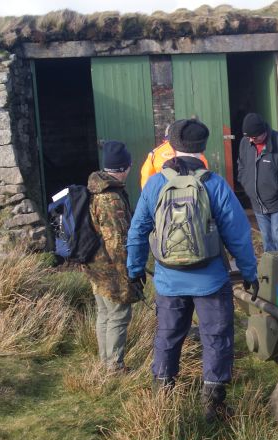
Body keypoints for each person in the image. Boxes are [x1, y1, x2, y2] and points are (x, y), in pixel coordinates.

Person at [127, 118, 259, 421]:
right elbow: (238, 234)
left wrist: (134, 270)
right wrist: (250, 273)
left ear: (171, 145)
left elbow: (137, 231)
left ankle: (163, 396)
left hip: (168, 280)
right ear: (202, 147)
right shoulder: (214, 184)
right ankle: (213, 403)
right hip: (210, 280)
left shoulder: (156, 184)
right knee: (216, 336)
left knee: (168, 335)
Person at [84, 140, 140, 372]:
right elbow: (117, 241)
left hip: (95, 264)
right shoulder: (111, 198)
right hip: (110, 266)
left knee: (105, 313)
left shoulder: (96, 188)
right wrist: (128, 271)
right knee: (117, 314)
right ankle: (114, 367)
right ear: (124, 167)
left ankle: (105, 362)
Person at [237, 112, 278, 252]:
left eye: (254, 137)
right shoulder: (245, 143)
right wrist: (246, 183)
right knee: (267, 239)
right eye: (248, 137)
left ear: (263, 132)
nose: (251, 140)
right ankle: (272, 271)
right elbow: (241, 165)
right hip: (258, 203)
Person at [140, 125, 209, 189]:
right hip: (192, 192)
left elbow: (146, 175)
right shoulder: (193, 151)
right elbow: (205, 173)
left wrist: (148, 194)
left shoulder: (154, 153)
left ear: (165, 137)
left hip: (163, 193)